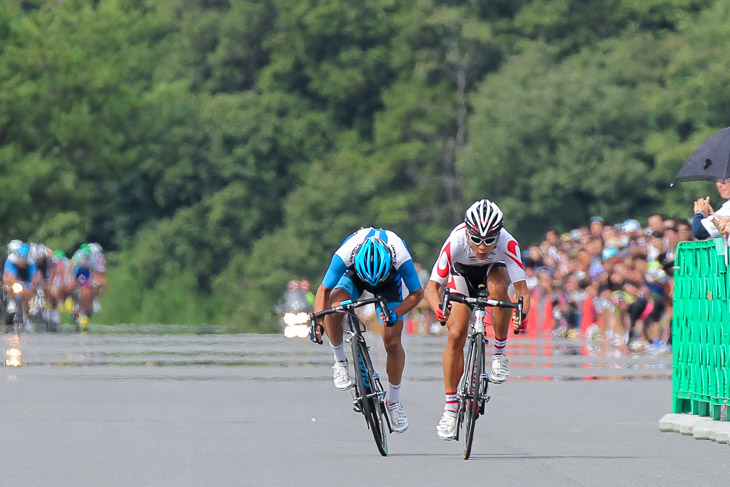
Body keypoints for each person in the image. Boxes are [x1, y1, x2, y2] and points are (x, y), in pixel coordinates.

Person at [424, 199, 531, 440]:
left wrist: (521, 315)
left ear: (499, 234)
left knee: (498, 290)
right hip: (461, 275)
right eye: (477, 239)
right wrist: (437, 309)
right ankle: (450, 410)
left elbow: (522, 290)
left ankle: (499, 354)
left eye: (489, 240)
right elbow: (431, 288)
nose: (482, 247)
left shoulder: (508, 242)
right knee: (456, 334)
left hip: (494, 270)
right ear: (467, 232)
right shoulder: (455, 242)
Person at [311, 228, 424, 433]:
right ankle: (339, 360)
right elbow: (323, 290)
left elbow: (417, 294)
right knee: (335, 308)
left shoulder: (400, 255)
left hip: (389, 283)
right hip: (355, 276)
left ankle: (394, 401)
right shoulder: (346, 253)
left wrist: (395, 313)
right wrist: (318, 322)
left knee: (392, 340)